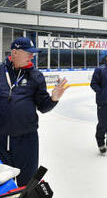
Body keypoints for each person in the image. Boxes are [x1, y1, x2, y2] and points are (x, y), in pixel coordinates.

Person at [0, 37, 68, 186]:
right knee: (3, 184)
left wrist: (54, 99)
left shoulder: (36, 76)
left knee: (28, 183)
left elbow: (44, 106)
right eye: (28, 53)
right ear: (15, 52)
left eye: (33, 53)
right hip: (1, 138)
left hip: (27, 140)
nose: (32, 56)